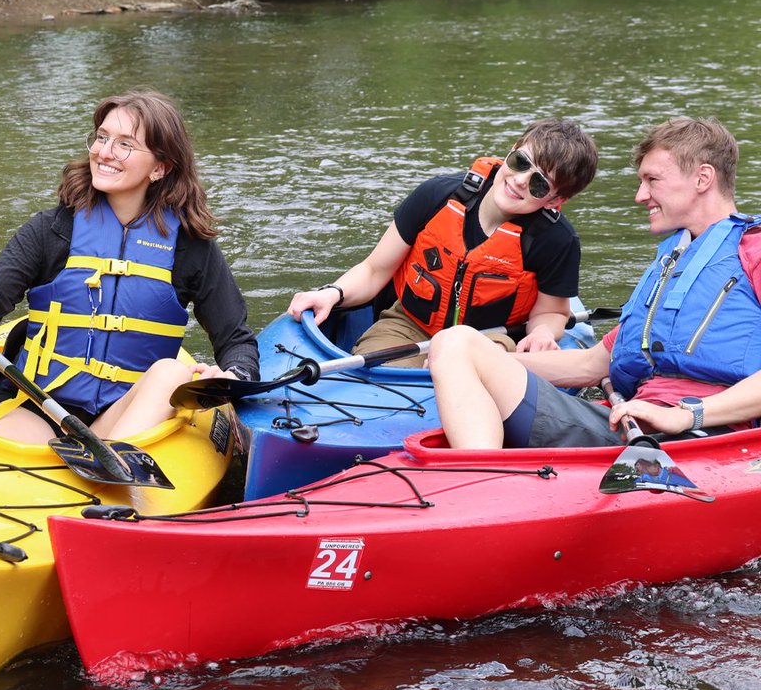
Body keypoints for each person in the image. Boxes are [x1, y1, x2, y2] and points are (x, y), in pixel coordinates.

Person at [0, 90, 259, 444]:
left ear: (160, 167)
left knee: (172, 372)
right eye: (101, 138)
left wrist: (232, 375)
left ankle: (118, 475)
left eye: (125, 144)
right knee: (26, 463)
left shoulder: (190, 247)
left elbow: (236, 339)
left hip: (125, 415)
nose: (104, 152)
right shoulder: (52, 230)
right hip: (35, 405)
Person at [429, 116, 761, 449]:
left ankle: (482, 479)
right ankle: (480, 473)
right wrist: (479, 362)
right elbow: (590, 364)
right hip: (628, 429)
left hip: (712, 440)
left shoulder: (754, 249)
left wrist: (689, 415)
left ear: (702, 178)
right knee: (457, 342)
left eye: (652, 180)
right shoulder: (671, 264)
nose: (640, 195)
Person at [288, 118, 598, 364]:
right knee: (377, 373)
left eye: (539, 184)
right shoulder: (437, 195)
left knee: (469, 371)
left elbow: (552, 312)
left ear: (556, 200)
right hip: (409, 326)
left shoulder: (557, 240)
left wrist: (543, 332)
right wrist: (333, 292)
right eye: (520, 162)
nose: (519, 180)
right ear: (513, 149)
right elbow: (374, 270)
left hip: (491, 338)